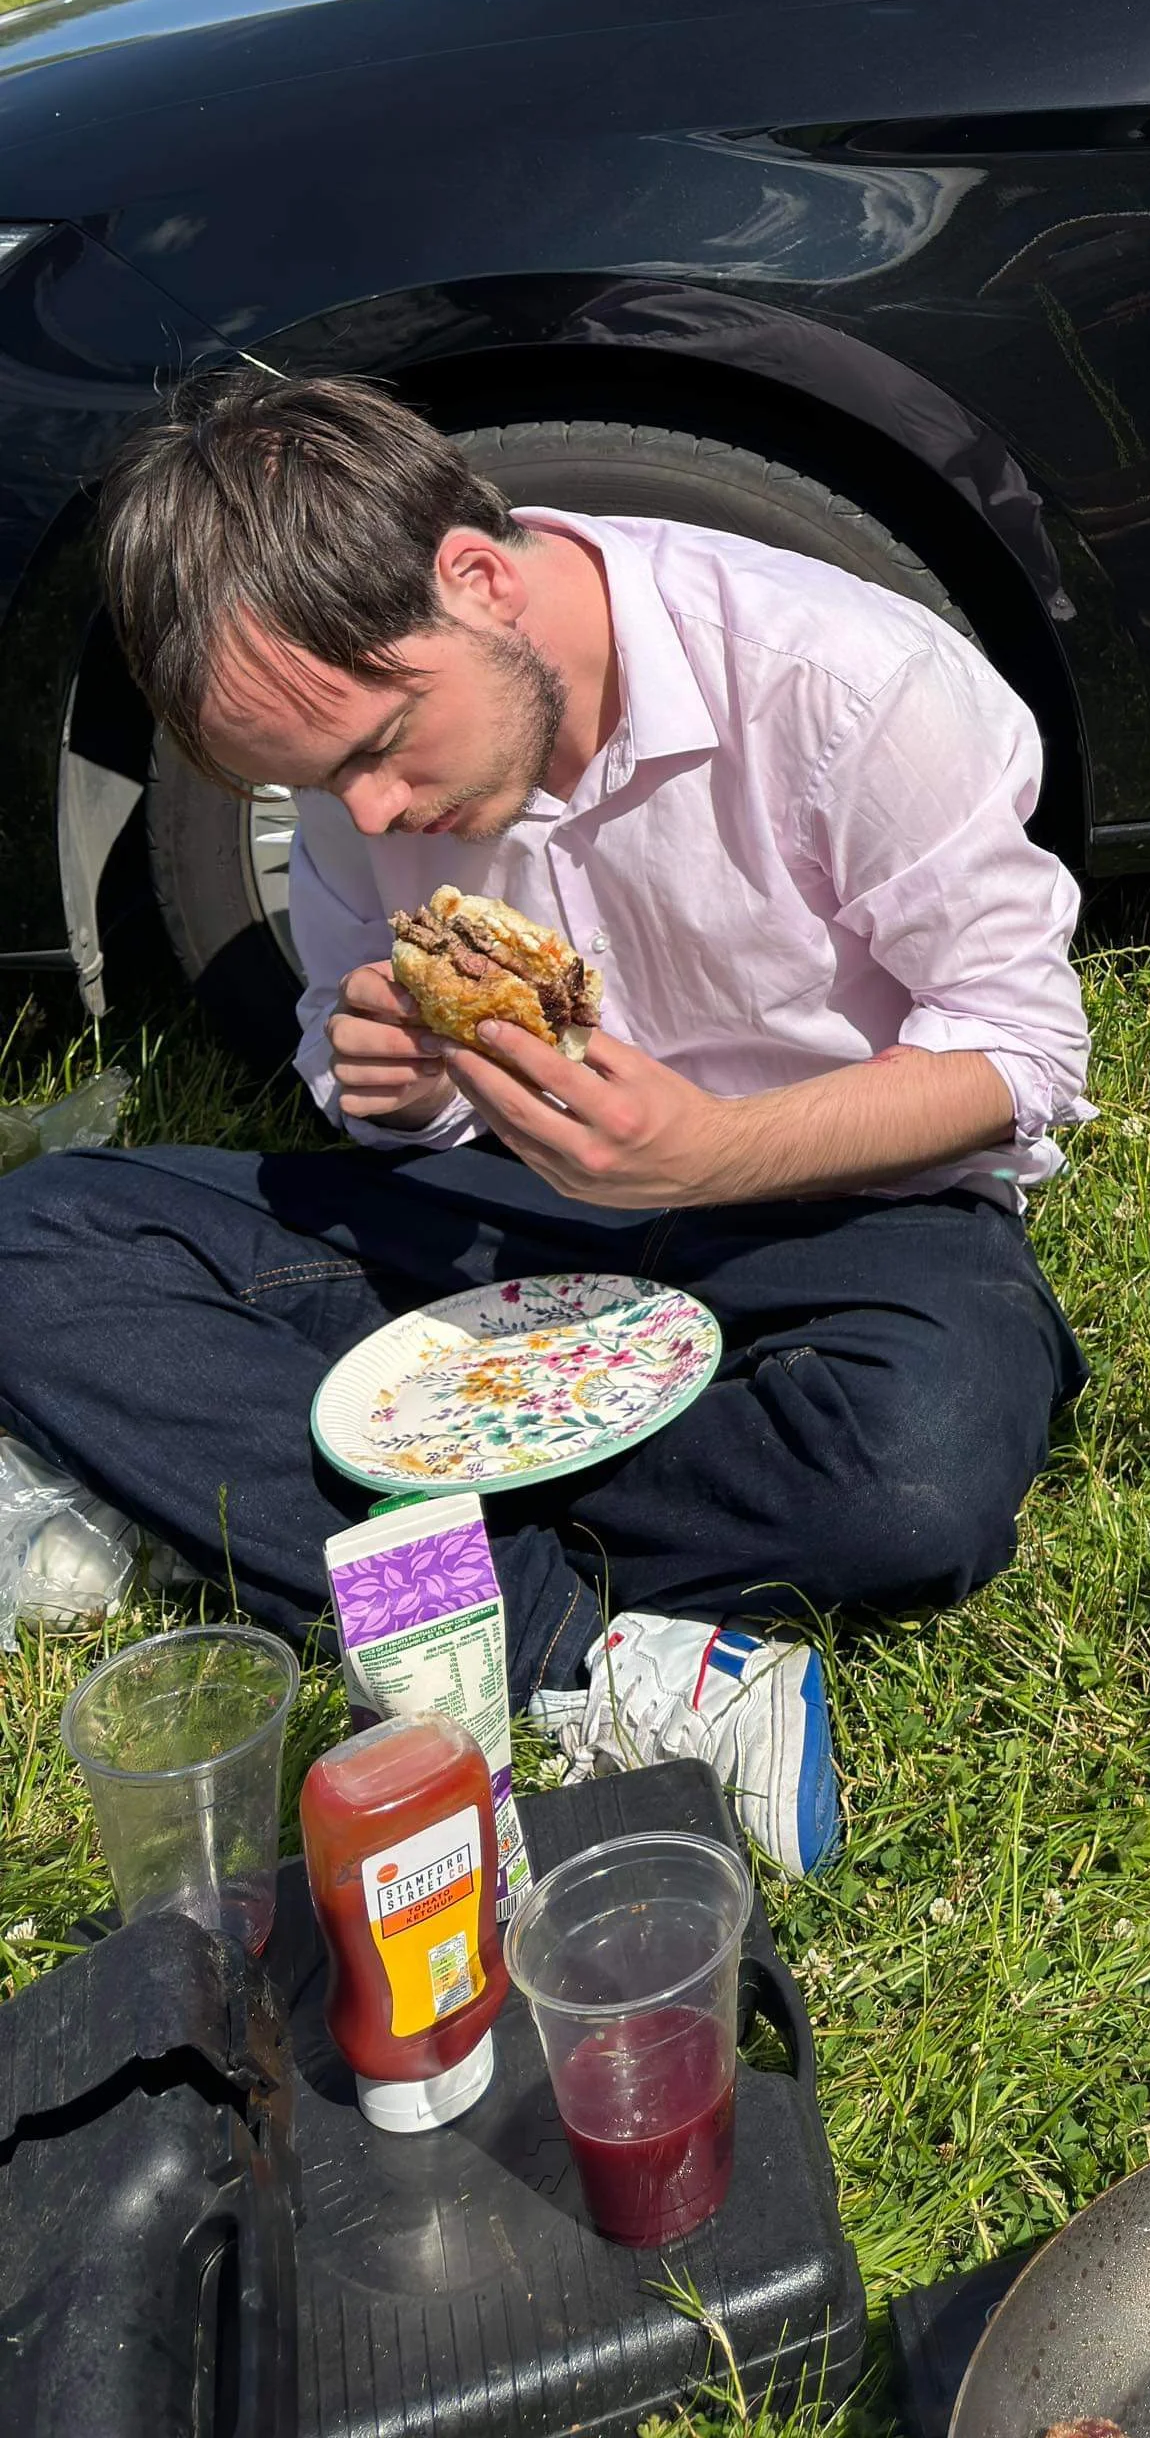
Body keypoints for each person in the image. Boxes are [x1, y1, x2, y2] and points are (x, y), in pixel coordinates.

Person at [0, 369, 1092, 1872]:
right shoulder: (366, 752)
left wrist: (711, 1154)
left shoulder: (846, 683)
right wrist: (398, 1086)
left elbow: (1022, 1059)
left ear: (477, 576)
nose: (368, 818)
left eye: (382, 750)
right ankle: (559, 1616)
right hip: (529, 1216)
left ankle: (399, 1547)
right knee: (38, 1242)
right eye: (320, 787)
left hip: (851, 1197)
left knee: (913, 1487)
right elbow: (375, 1076)